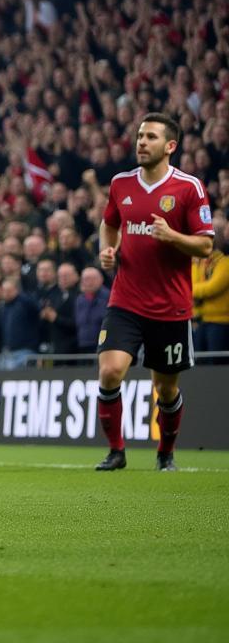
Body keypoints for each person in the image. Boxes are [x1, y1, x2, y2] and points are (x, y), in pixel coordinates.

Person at [95, 113, 214, 472]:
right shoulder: (121, 184)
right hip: (125, 300)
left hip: (170, 307)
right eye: (139, 135)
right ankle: (116, 451)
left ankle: (166, 453)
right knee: (110, 372)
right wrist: (108, 249)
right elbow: (109, 222)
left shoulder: (189, 188)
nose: (141, 142)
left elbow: (206, 247)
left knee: (165, 390)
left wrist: (172, 237)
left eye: (150, 137)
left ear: (170, 146)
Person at [192, 213, 229, 360]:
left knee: (216, 364)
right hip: (200, 321)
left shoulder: (225, 263)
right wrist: (195, 263)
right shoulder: (198, 262)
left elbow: (211, 288)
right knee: (198, 364)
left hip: (220, 324)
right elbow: (191, 282)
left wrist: (190, 290)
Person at [74, 266, 109, 354]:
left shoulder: (108, 297)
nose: (88, 282)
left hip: (102, 346)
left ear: (101, 279)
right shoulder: (80, 299)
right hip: (83, 344)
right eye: (85, 279)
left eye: (92, 279)